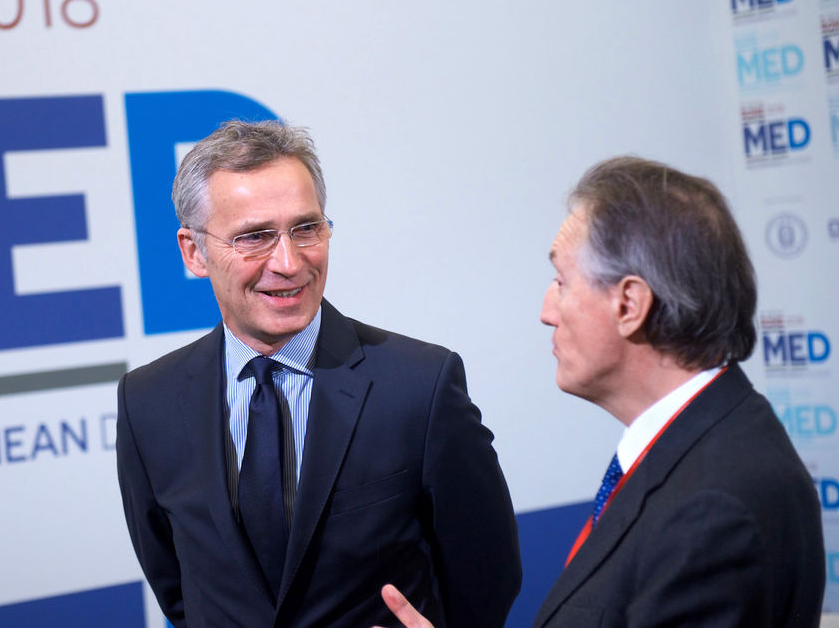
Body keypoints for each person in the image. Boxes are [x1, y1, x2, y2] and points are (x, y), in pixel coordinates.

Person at [377, 156, 825, 628]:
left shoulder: (711, 510)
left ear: (629, 304)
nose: (547, 311)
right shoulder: (705, 444)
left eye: (562, 282)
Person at [116, 120, 522, 628]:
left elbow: (486, 576)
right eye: (255, 237)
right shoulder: (148, 401)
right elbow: (177, 588)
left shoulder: (421, 386)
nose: (289, 263)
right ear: (194, 252)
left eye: (306, 228)